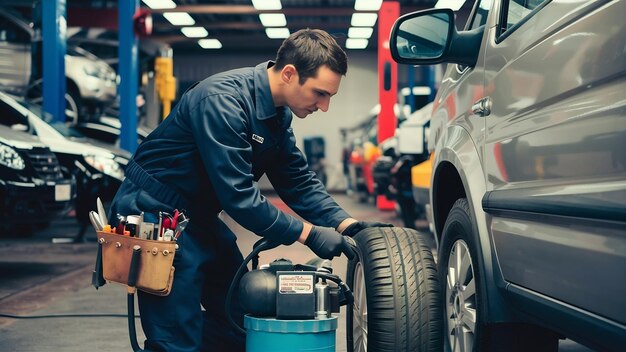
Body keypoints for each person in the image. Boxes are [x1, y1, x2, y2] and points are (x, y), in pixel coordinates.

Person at [108, 28, 391, 352]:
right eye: (319, 93)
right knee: (175, 332)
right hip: (154, 211)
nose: (323, 106)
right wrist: (309, 234)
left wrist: (346, 224)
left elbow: (296, 180)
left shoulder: (276, 116)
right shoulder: (221, 101)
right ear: (289, 73)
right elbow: (240, 198)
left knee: (239, 312)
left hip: (196, 214)